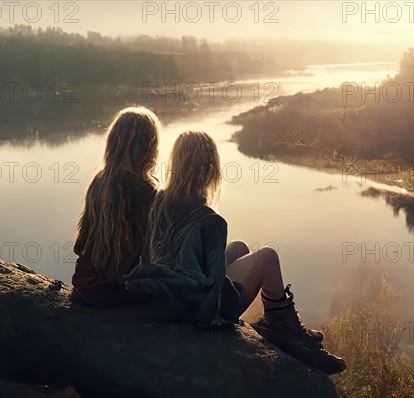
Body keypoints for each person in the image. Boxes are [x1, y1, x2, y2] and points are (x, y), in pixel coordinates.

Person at [126, 130, 347, 375]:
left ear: (176, 163)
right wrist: (217, 319)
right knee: (268, 257)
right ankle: (284, 329)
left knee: (239, 247)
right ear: (211, 169)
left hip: (169, 298)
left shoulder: (158, 202)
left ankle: (282, 321)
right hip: (199, 311)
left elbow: (149, 257)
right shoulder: (212, 222)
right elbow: (214, 288)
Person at [71, 106, 161, 309]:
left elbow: (83, 240)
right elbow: (152, 253)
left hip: (85, 285)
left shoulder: (99, 180)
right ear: (149, 147)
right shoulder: (147, 191)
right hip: (114, 290)